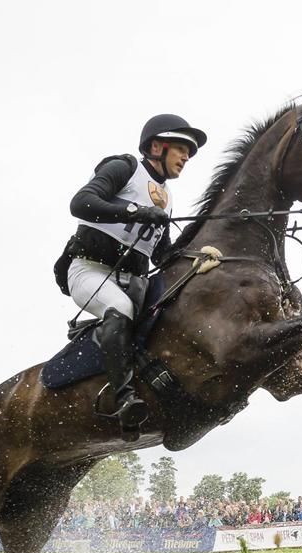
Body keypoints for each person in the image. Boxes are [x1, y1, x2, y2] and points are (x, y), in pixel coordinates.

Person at [55, 113, 208, 436]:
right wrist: (135, 211)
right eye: (181, 149)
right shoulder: (124, 167)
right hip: (89, 271)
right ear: (156, 146)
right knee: (120, 309)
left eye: (189, 152)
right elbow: (80, 202)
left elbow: (161, 254)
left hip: (131, 283)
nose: (186, 157)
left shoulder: (166, 199)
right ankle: (123, 398)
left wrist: (197, 255)